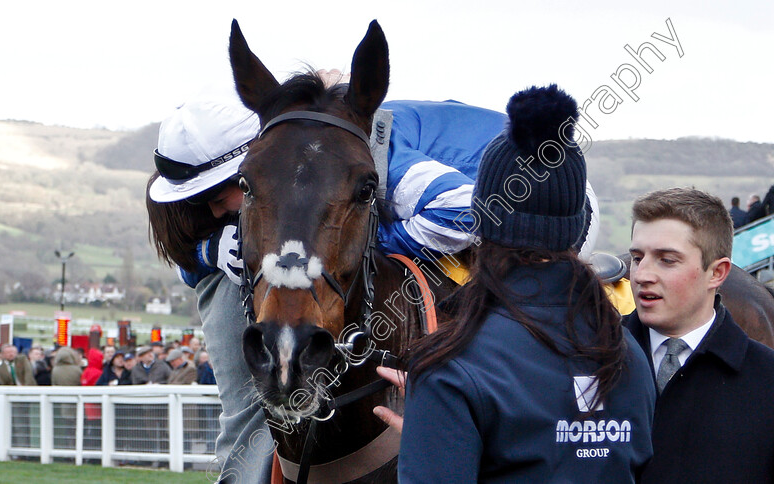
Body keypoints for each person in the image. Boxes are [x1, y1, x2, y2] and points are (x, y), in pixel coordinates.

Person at [146, 83, 602, 481]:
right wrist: (209, 251)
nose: (210, 210)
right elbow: (195, 261)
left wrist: (356, 240)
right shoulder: (304, 149)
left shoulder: (356, 153)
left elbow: (465, 212)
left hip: (539, 199)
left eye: (217, 192)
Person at [397, 85, 654, 483]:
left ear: (482, 220)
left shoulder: (451, 366)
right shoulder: (628, 353)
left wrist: (431, 429)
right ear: (577, 225)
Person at [623, 187, 774, 482]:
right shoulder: (586, 358)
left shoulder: (767, 379)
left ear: (717, 273)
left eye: (667, 260)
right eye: (638, 258)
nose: (641, 275)